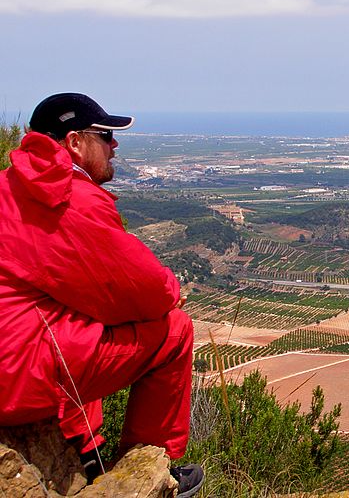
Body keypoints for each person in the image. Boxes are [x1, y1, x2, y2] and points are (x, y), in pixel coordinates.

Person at [0, 93, 204, 496]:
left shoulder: (11, 186)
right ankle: (152, 465)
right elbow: (143, 289)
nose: (114, 145)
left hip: (17, 351)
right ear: (75, 142)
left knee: (79, 326)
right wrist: (171, 290)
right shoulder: (66, 196)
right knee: (175, 331)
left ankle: (87, 453)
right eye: (105, 135)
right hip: (17, 370)